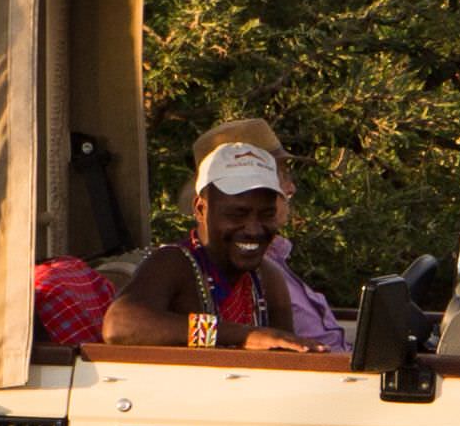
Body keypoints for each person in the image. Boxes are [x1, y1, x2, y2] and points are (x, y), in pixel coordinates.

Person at [103, 116, 342, 348]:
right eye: (237, 214)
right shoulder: (174, 264)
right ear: (200, 209)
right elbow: (120, 324)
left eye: (266, 215)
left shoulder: (267, 278)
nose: (253, 229)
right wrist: (242, 335)